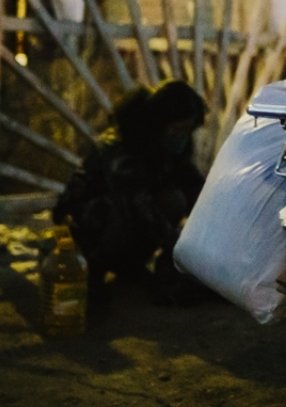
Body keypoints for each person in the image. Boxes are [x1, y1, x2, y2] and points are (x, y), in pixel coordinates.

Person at [52, 80, 207, 304]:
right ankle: (94, 269)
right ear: (160, 124)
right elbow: (137, 206)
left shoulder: (164, 145)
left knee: (174, 200)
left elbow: (194, 187)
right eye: (178, 129)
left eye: (187, 129)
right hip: (86, 230)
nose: (183, 136)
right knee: (128, 209)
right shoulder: (121, 147)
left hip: (121, 224)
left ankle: (129, 267)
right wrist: (179, 249)